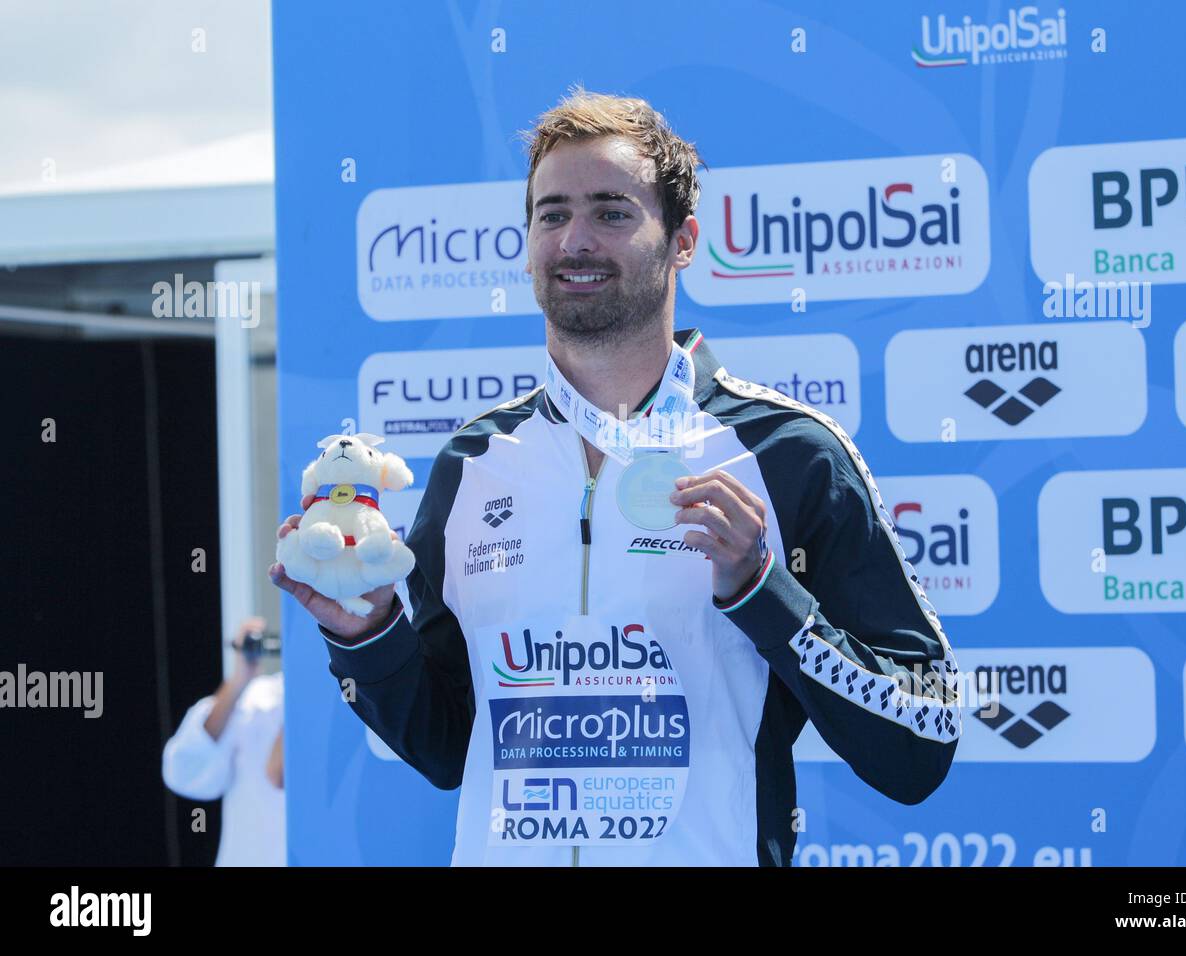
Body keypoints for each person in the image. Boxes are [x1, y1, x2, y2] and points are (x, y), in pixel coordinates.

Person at [270, 85, 963, 866]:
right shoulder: (474, 462)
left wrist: (762, 589)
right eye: (552, 214)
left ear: (684, 239)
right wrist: (364, 633)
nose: (575, 241)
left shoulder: (787, 452)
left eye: (612, 212)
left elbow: (920, 743)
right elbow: (447, 747)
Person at [162, 616, 286, 867]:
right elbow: (183, 772)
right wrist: (241, 678)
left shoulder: (358, 698)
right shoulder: (258, 698)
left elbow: (278, 774)